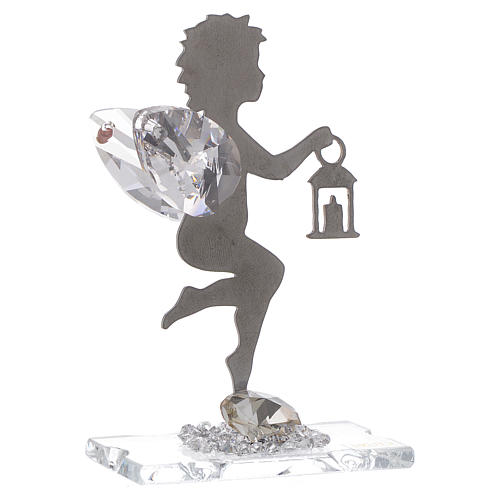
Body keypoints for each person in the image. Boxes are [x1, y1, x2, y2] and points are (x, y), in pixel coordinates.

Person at [162, 14, 334, 392]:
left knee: (264, 276)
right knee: (268, 273)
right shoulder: (223, 134)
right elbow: (275, 169)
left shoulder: (215, 129)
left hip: (213, 236)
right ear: (227, 74)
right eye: (253, 65)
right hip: (208, 239)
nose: (260, 74)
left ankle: (241, 357)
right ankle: (215, 319)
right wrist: (312, 141)